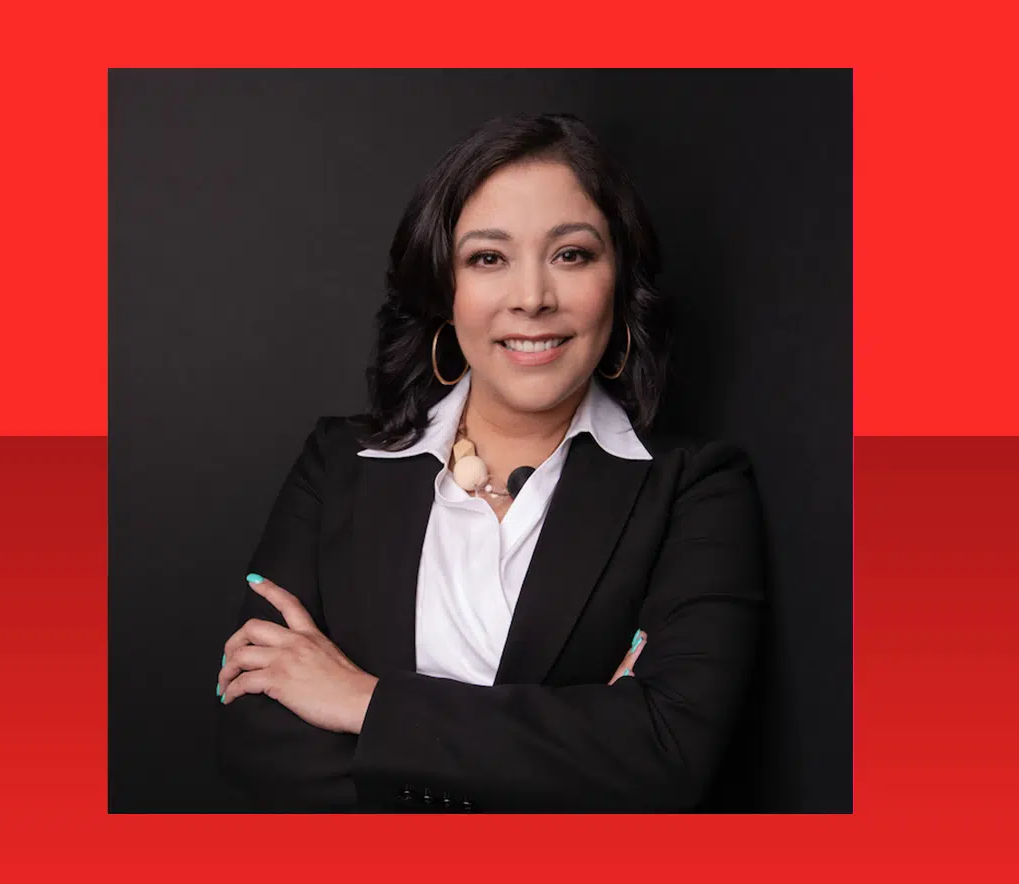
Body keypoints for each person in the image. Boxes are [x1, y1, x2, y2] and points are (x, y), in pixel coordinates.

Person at [214, 112, 766, 813]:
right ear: (445, 289)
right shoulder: (338, 465)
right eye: (488, 258)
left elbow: (667, 758)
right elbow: (255, 735)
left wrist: (364, 702)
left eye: (571, 254)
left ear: (620, 280)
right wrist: (570, 747)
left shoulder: (695, 489)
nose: (532, 297)